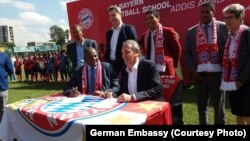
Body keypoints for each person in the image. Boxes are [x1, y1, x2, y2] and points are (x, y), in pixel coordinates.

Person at [184, 1, 228, 125]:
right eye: (201, 12)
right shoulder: (191, 31)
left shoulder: (224, 27)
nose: (203, 14)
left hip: (217, 75)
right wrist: (193, 70)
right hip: (199, 76)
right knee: (201, 108)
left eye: (206, 12)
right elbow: (187, 53)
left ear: (213, 12)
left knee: (219, 108)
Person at [220, 4, 250, 125]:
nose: (226, 21)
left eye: (230, 17)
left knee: (247, 113)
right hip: (233, 81)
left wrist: (241, 80)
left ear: (240, 17)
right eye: (225, 18)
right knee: (239, 112)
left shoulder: (247, 32)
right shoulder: (229, 36)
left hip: (246, 82)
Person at [139, 9, 181, 76]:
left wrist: (173, 63)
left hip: (165, 68)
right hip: (150, 70)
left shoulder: (168, 32)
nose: (149, 21)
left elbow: (176, 50)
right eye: (147, 19)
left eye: (151, 18)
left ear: (158, 18)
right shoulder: (144, 36)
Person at [105, 5, 138, 74]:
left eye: (114, 15)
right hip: (111, 66)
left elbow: (135, 49)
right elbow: (108, 50)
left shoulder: (128, 29)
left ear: (120, 14)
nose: (112, 18)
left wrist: (128, 65)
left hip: (125, 65)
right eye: (110, 16)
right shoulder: (109, 33)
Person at [0, 52, 13, 122]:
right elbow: (10, 69)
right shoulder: (4, 56)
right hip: (2, 85)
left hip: (2, 86)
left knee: (3, 108)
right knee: (3, 108)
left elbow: (10, 69)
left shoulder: (4, 56)